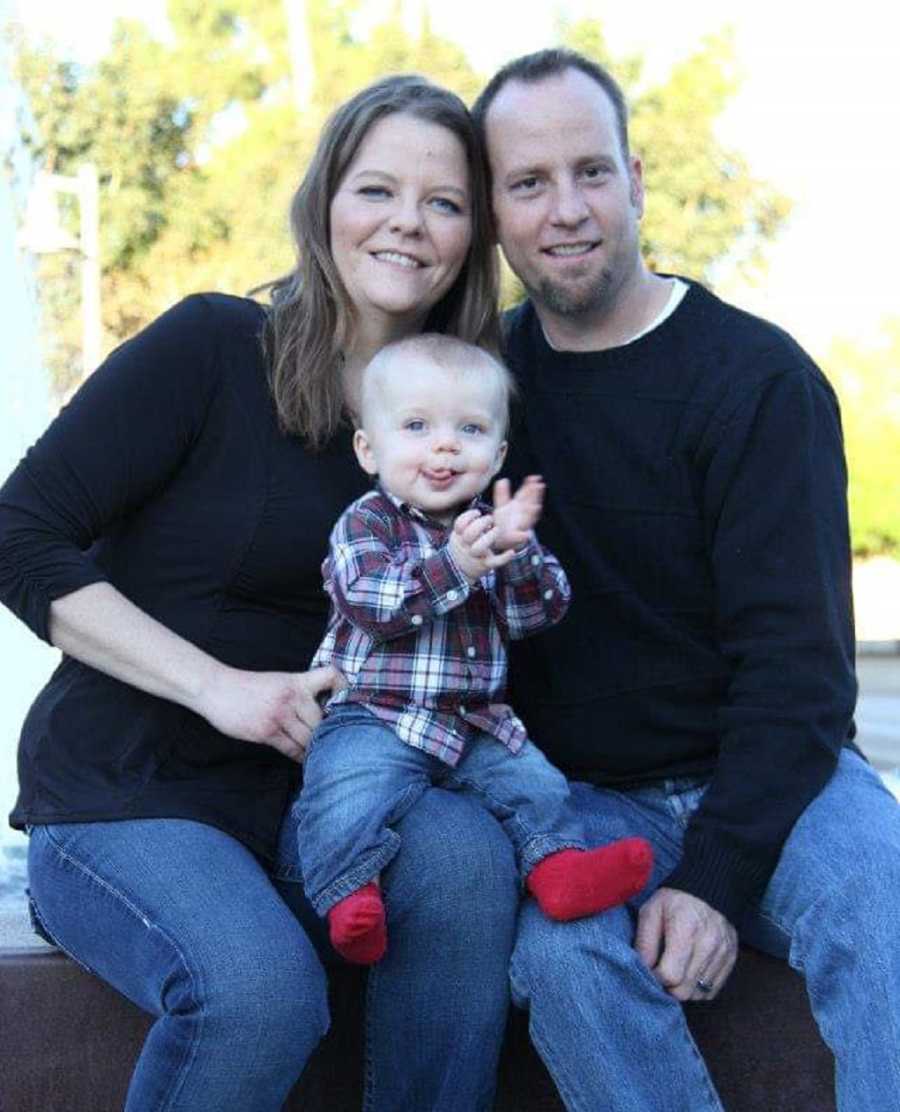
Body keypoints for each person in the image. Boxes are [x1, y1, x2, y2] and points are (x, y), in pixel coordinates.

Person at [0, 75, 522, 1112]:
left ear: (474, 234)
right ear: (325, 198)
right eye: (378, 189)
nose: (407, 225)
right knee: (260, 991)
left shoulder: (462, 421)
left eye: (445, 203)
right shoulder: (209, 348)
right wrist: (218, 686)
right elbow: (19, 531)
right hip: (129, 794)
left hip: (319, 810)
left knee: (464, 857)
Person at [470, 47, 900, 1112]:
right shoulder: (479, 393)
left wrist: (713, 876)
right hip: (583, 801)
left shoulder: (757, 381)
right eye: (528, 183)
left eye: (592, 172)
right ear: (492, 211)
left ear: (638, 178)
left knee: (887, 902)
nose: (566, 210)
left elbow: (800, 677)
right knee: (563, 964)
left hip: (772, 778)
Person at [294, 333, 653, 964]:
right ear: (368, 449)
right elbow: (372, 604)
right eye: (415, 425)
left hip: (475, 721)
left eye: (470, 428)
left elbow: (537, 614)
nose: (445, 444)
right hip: (377, 713)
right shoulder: (367, 522)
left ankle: (559, 871)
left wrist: (513, 555)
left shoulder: (493, 527)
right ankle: (350, 894)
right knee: (343, 789)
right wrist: (456, 564)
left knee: (539, 787)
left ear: (497, 454)